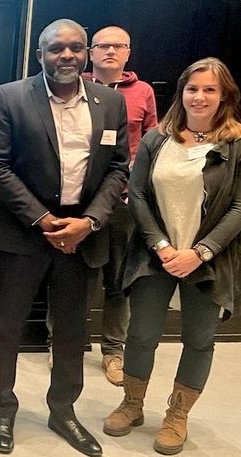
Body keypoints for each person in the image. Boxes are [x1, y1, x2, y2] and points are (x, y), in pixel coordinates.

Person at [0, 18, 129, 457]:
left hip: (83, 234)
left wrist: (90, 222)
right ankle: (1, 409)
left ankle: (63, 410)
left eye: (75, 48)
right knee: (7, 329)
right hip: (26, 233)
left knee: (70, 331)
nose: (66, 55)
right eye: (56, 48)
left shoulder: (111, 103)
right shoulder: (11, 97)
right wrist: (43, 219)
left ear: (85, 53)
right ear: (39, 54)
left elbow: (118, 167)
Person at [104, 57, 241, 455]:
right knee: (141, 333)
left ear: (225, 96)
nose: (199, 97)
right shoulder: (156, 139)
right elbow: (139, 195)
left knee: (199, 340)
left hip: (210, 258)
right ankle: (132, 404)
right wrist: (163, 246)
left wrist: (200, 252)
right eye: (192, 88)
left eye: (209, 89)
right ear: (181, 92)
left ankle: (177, 416)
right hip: (155, 254)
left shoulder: (238, 143)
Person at [82, 25, 159, 386]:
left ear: (128, 53)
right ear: (90, 52)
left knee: (117, 280)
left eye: (119, 46)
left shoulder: (142, 92)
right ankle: (61, 341)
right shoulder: (74, 86)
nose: (110, 51)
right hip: (80, 202)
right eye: (103, 46)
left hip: (124, 199)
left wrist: (136, 187)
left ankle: (113, 350)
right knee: (74, 278)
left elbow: (151, 143)